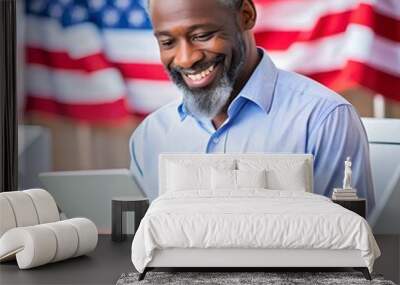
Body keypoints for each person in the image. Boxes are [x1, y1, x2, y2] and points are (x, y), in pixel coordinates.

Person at [129, 0, 375, 215]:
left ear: (246, 15)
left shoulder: (324, 119)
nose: (185, 58)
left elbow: (346, 250)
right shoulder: (149, 136)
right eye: (167, 42)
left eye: (202, 36)